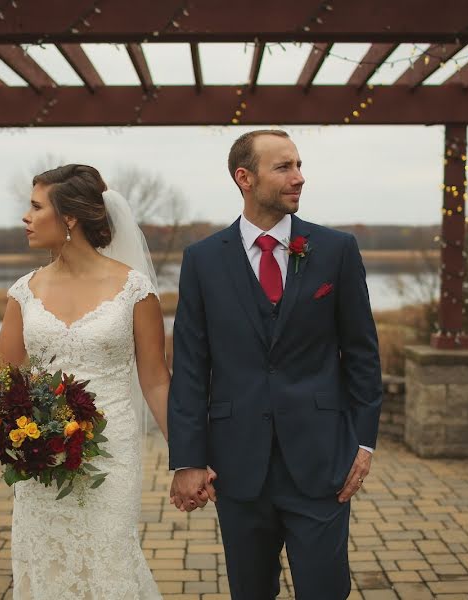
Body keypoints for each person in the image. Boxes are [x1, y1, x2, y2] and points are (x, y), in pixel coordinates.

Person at [168, 130, 383, 599]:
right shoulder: (202, 260)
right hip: (237, 462)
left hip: (323, 458)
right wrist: (187, 459)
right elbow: (189, 366)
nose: (299, 178)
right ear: (244, 178)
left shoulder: (336, 250)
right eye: (284, 167)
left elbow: (363, 355)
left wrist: (363, 443)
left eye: (300, 165)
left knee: (325, 590)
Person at [0, 164, 168, 599]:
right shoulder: (23, 291)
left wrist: (188, 458)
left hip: (111, 456)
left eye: (36, 207)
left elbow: (156, 381)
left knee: (109, 559)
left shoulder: (135, 289)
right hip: (42, 457)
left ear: (69, 216)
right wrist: (23, 437)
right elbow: (8, 383)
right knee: (48, 562)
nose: (27, 217)